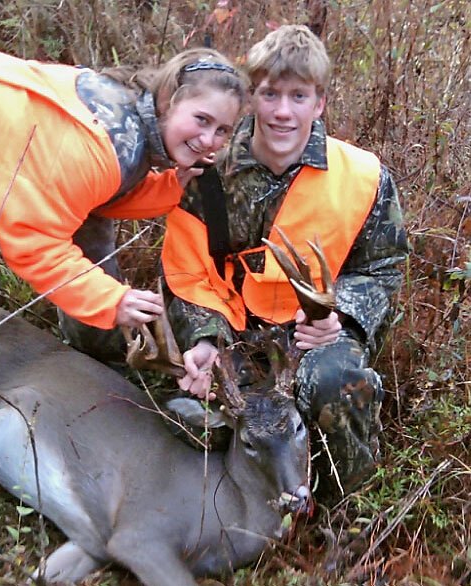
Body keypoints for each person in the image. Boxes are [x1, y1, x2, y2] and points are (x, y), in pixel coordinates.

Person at [0, 48, 246, 571]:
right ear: (168, 100)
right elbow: (31, 241)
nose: (209, 140)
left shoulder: (134, 132)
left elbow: (99, 195)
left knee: (74, 250)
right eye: (201, 120)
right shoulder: (105, 144)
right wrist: (111, 300)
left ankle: (96, 364)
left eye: (223, 130)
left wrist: (172, 185)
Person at [160, 25, 409, 501]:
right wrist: (205, 339)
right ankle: (236, 509)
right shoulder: (207, 174)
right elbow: (186, 274)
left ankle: (342, 508)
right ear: (252, 97)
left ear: (319, 103)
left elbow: (382, 266)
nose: (282, 111)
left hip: (316, 333)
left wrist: (339, 317)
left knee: (337, 385)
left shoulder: (363, 178)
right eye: (270, 94)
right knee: (186, 409)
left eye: (299, 96)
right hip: (234, 328)